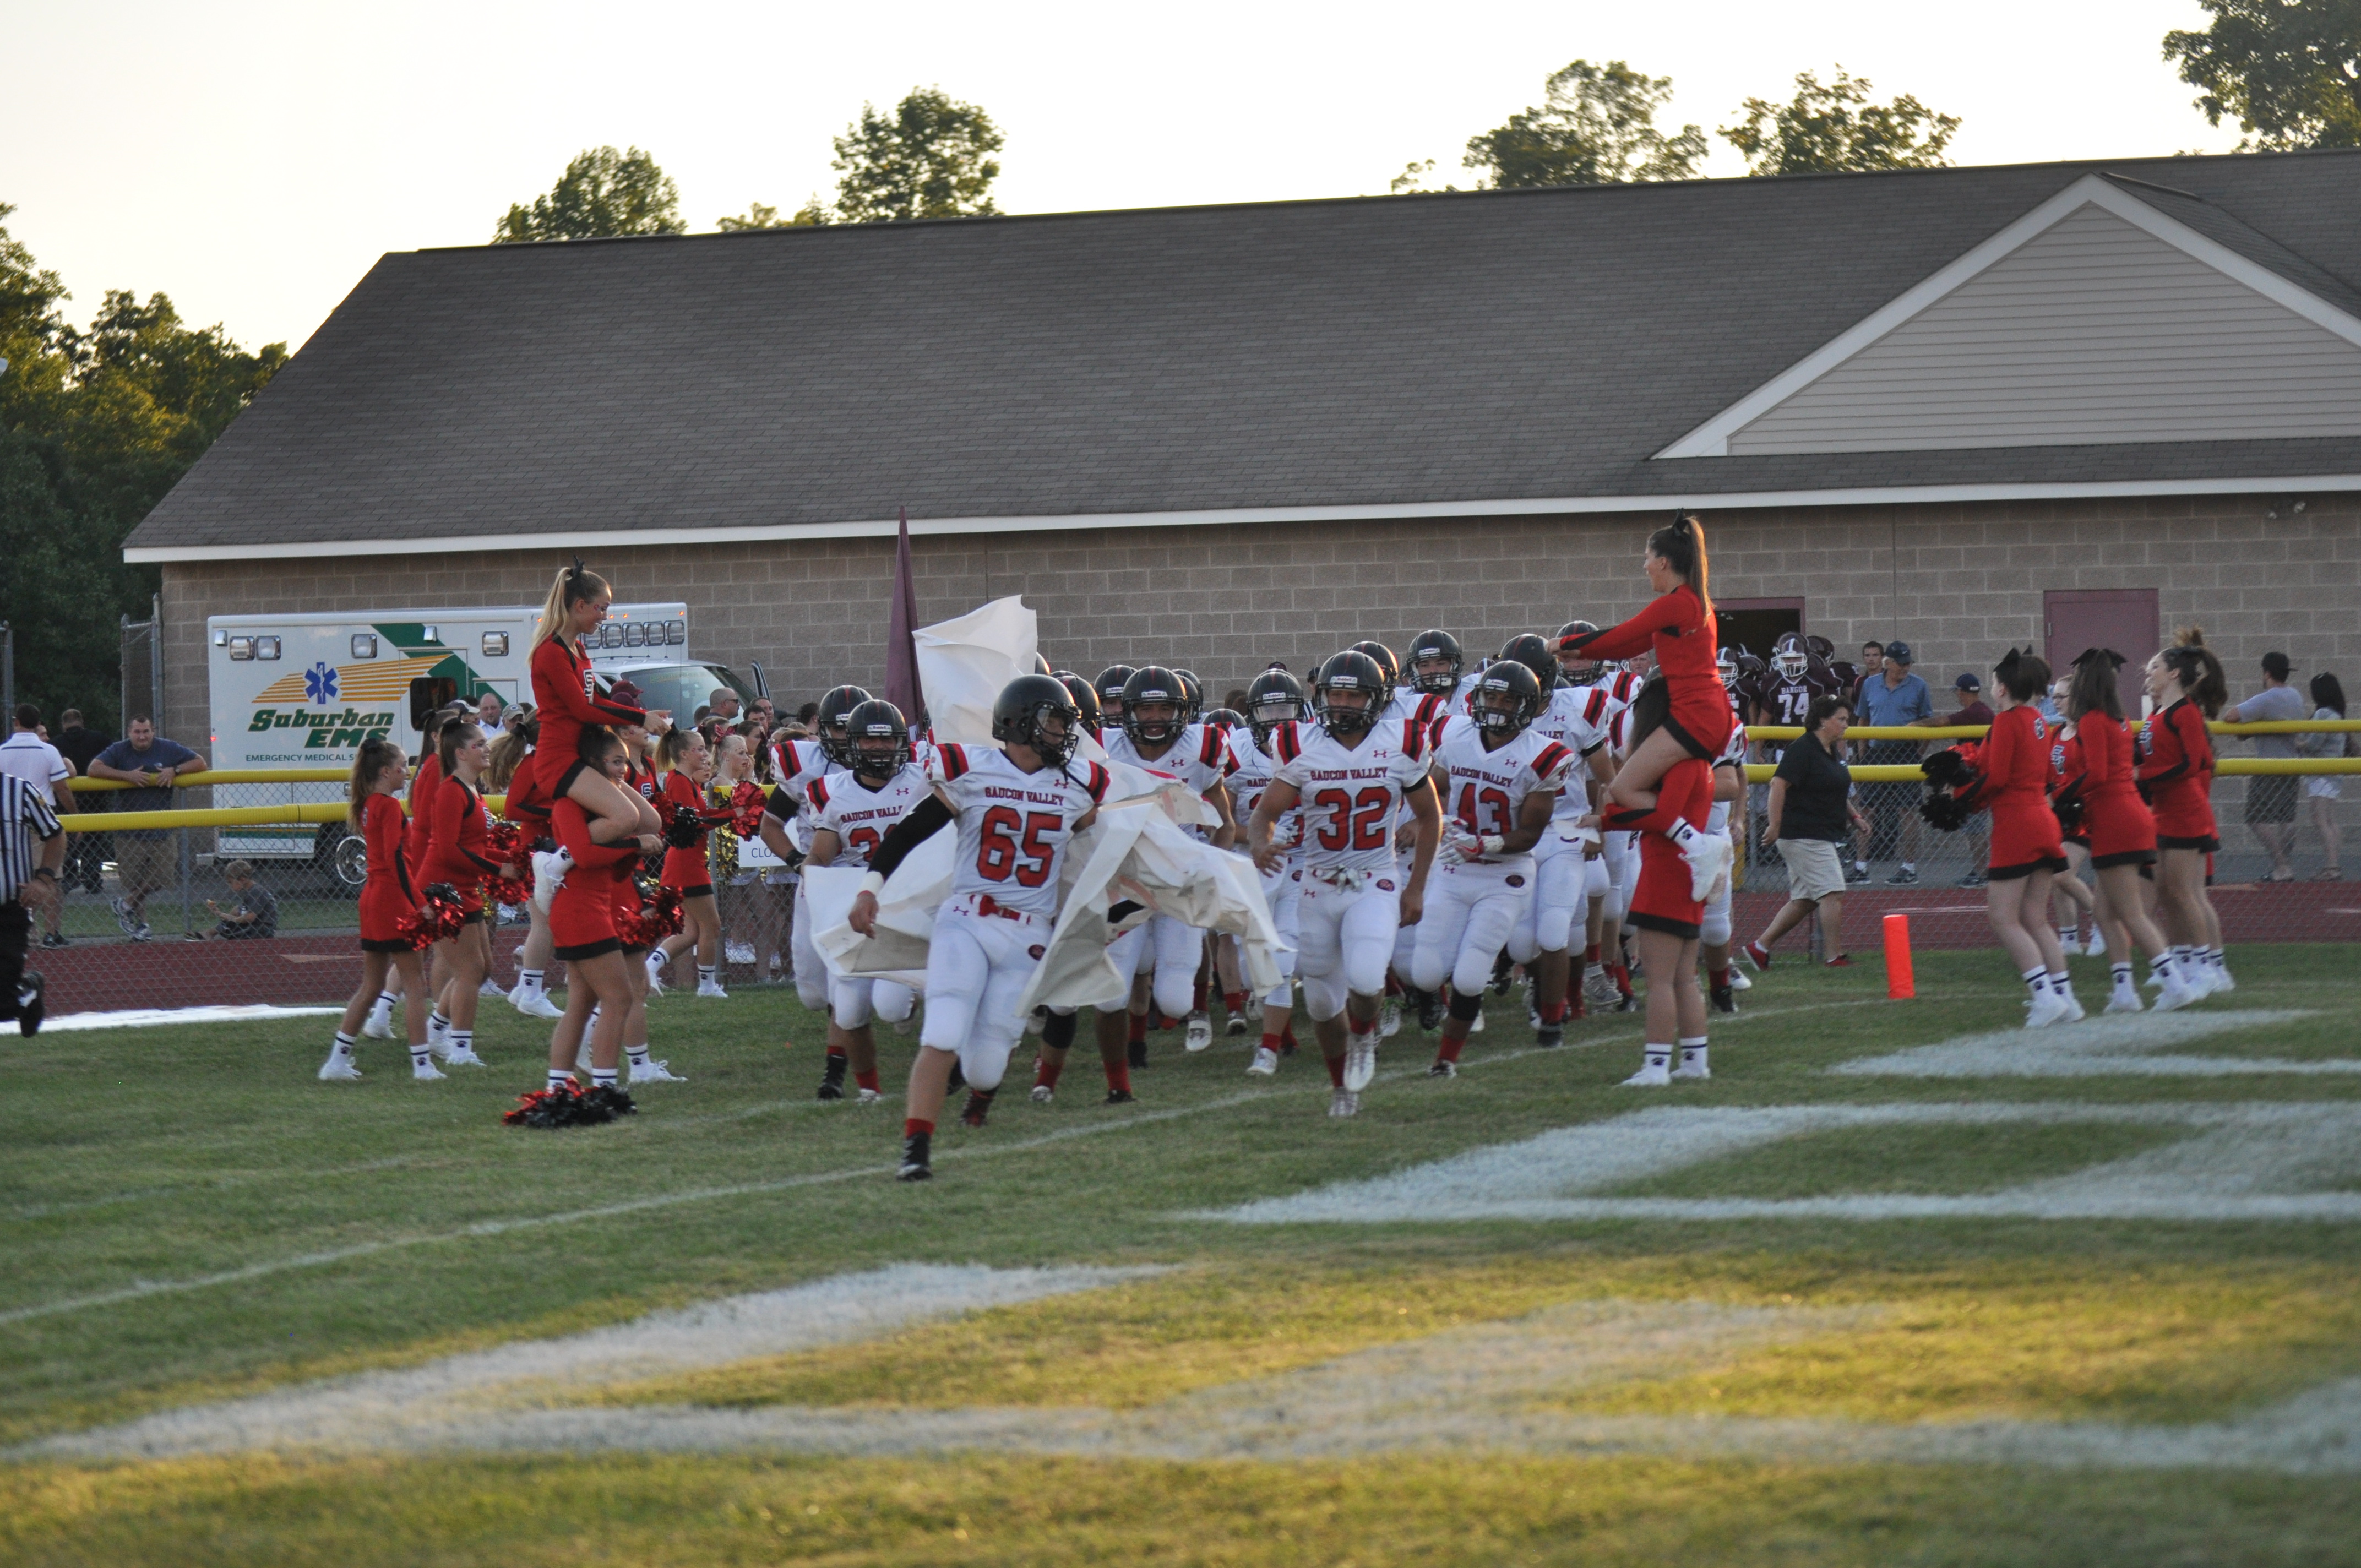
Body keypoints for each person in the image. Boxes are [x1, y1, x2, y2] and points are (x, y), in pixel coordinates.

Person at [850, 675, 1111, 1180]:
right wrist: (869, 888)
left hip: (1029, 936)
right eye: (1054, 722)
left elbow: (1095, 855)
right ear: (1021, 724)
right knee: (944, 1028)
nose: (1063, 733)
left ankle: (978, 1098)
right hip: (968, 919)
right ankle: (916, 1150)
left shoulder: (1079, 786)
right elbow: (911, 830)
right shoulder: (971, 771)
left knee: (986, 1067)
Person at [1249, 650, 1442, 1119]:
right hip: (1317, 882)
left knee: (1365, 977)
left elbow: (1429, 816)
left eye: (1354, 695)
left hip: (1375, 877)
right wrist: (1259, 842)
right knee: (1318, 1003)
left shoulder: (1403, 742)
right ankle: (1341, 1088)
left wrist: (1415, 887)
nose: (1343, 703)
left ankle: (1363, 1038)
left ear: (1374, 700)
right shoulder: (1300, 743)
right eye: (1336, 694)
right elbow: (1265, 814)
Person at [1561, 514, 1737, 902]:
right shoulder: (1693, 602)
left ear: (1662, 562)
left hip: (1696, 714)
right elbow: (1628, 647)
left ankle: (1699, 844)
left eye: (1646, 558)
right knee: (1654, 794)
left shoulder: (1677, 603)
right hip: (1705, 712)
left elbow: (1622, 633)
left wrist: (1561, 644)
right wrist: (1578, 648)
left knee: (1623, 787)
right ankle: (1695, 843)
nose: (1644, 566)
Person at [1411, 658, 1571, 1076]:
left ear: (1529, 706)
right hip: (1454, 868)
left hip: (1505, 874)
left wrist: (1484, 843)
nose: (1497, 706)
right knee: (1426, 973)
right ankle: (1433, 1006)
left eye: (1508, 699)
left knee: (1468, 977)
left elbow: (1532, 832)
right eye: (1491, 697)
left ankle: (1446, 1060)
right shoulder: (1456, 735)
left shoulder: (1543, 755)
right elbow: (1435, 786)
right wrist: (1422, 819)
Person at [1101, 666, 1239, 1058]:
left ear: (1182, 711)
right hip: (1125, 881)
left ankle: (1169, 1004)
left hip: (1178, 881)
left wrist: (1215, 865)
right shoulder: (1104, 748)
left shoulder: (1202, 748)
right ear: (1128, 712)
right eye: (1146, 709)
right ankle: (1126, 1060)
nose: (1155, 717)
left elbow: (1224, 824)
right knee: (1111, 995)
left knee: (1176, 1001)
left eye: (1164, 708)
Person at [2055, 649, 2195, 1013]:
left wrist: (2058, 795)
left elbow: (2099, 774)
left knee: (2131, 912)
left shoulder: (2091, 720)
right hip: (2127, 815)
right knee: (2104, 913)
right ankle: (2124, 992)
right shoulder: (2116, 719)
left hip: (2117, 819)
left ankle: (2175, 983)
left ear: (2085, 683)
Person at [1947, 650, 2083, 1026]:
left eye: (1993, 681)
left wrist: (1964, 797)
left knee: (2003, 917)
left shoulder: (2006, 721)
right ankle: (2066, 998)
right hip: (2042, 819)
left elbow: (1999, 778)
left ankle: (2044, 997)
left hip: (2017, 823)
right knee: (2035, 919)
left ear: (2002, 687)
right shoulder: (2039, 719)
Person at [806, 700, 927, 1104]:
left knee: (891, 1009)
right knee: (850, 1013)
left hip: (906, 903)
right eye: (869, 740)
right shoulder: (839, 795)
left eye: (887, 739)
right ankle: (869, 1090)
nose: (879, 748)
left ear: (900, 741)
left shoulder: (922, 780)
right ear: (853, 744)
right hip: (856, 906)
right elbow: (821, 855)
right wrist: (812, 876)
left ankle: (911, 1005)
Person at [525, 563, 660, 909]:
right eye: (600, 608)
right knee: (627, 819)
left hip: (583, 754)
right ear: (579, 605)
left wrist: (640, 713)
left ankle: (584, 863)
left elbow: (595, 701)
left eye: (607, 609)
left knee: (650, 820)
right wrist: (640, 717)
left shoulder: (578, 650)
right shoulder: (551, 652)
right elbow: (582, 711)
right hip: (560, 759)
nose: (604, 616)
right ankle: (555, 863)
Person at [542, 727, 667, 1098]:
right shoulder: (569, 804)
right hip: (579, 910)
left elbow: (651, 822)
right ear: (590, 764)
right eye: (616, 761)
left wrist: (614, 777)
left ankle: (558, 1089)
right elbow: (583, 854)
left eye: (627, 763)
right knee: (620, 998)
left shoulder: (606, 808)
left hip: (589, 906)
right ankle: (604, 1088)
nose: (624, 770)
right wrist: (632, 846)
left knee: (582, 1003)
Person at [319, 738, 438, 1080]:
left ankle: (337, 1062)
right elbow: (395, 859)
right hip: (392, 899)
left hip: (372, 898)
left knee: (371, 986)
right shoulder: (388, 806)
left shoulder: (369, 803)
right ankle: (422, 1066)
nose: (407, 773)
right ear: (386, 772)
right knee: (415, 985)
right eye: (402, 767)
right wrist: (421, 903)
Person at [1742, 696, 1865, 972]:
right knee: (1833, 892)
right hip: (1802, 834)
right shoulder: (1804, 748)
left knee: (1806, 899)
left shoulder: (1830, 750)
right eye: (1842, 719)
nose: (1847, 725)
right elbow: (1778, 784)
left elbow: (1834, 787)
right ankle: (1834, 957)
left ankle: (1759, 948)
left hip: (1818, 833)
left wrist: (1854, 816)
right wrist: (1774, 825)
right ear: (1823, 720)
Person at [2140, 630, 2232, 995]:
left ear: (2174, 674)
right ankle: (2182, 962)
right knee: (2166, 892)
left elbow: (2193, 763)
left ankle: (2208, 966)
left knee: (2185, 892)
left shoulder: (2185, 713)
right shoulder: (2159, 713)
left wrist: (2143, 776)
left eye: (2154, 669)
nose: (2148, 675)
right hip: (2163, 812)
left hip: (2185, 812)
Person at [87, 716, 207, 941]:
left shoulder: (168, 748)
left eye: (146, 731)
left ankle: (125, 904)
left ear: (154, 731)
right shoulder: (119, 750)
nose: (142, 736)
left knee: (163, 876)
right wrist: (127, 776)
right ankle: (142, 925)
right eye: (137, 732)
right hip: (128, 828)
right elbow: (94, 769)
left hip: (161, 827)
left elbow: (200, 763)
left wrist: (176, 771)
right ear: (129, 733)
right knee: (135, 881)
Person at [648, 727, 728, 999]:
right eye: (700, 749)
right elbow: (694, 824)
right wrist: (736, 812)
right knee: (712, 926)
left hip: (687, 862)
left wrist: (735, 810)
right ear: (684, 754)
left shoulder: (687, 781)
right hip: (686, 864)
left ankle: (648, 969)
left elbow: (704, 815)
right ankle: (707, 987)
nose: (706, 754)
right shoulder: (678, 781)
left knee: (692, 931)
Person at [1851, 640, 1933, 882]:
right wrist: (1862, 751)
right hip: (1876, 750)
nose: (1906, 668)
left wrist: (1918, 753)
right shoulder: (1870, 684)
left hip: (1905, 751)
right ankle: (1861, 866)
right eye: (1901, 664)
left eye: (1909, 663)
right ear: (1889, 663)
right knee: (1866, 807)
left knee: (1907, 809)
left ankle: (1909, 868)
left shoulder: (1919, 686)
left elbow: (1927, 722)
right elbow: (1863, 720)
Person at [2227, 651, 2306, 881]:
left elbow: (2230, 716)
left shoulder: (2268, 698)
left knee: (2256, 818)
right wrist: (2260, 725)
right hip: (2293, 764)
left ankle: (2281, 866)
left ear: (2267, 673)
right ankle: (2285, 866)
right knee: (2286, 818)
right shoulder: (2295, 695)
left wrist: (2256, 724)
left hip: (2270, 766)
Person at [0, 760, 65, 1036]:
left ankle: (29, 991)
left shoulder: (18, 790)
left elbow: (55, 834)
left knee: (3, 1006)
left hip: (8, 908)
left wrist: (43, 879)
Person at [2, 705, 75, 948]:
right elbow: (62, 787)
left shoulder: (3, 751)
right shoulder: (48, 750)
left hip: (10, 825)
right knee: (49, 879)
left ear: (16, 722)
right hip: (43, 821)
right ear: (37, 723)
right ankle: (51, 932)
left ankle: (28, 932)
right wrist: (76, 816)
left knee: (16, 881)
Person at [1916, 673, 1995, 885]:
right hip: (1977, 776)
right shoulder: (1982, 710)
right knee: (1973, 827)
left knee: (1976, 828)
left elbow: (1941, 721)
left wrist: (1914, 725)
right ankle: (1980, 870)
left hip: (1977, 778)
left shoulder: (1977, 711)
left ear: (1962, 692)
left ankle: (1982, 872)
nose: (1958, 696)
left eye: (1958, 692)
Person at [2298, 672, 2348, 881]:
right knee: (2329, 820)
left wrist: (2298, 744)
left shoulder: (2324, 715)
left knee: (2320, 819)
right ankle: (2333, 864)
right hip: (2333, 774)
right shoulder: (2337, 714)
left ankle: (2332, 867)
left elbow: (2314, 744)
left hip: (2322, 775)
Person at [196, 860, 278, 940]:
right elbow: (237, 911)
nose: (230, 885)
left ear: (242, 880)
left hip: (260, 931)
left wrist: (233, 920)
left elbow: (250, 918)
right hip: (256, 928)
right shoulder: (251, 891)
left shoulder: (255, 892)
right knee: (234, 916)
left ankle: (209, 934)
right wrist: (220, 913)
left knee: (230, 925)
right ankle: (209, 933)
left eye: (231, 882)